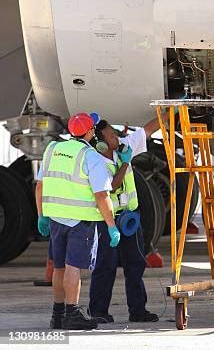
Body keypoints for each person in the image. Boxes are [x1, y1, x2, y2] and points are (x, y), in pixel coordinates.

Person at [35, 112, 121, 330]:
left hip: (56, 219)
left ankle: (58, 314)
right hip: (80, 222)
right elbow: (102, 195)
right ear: (91, 132)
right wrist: (112, 226)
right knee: (74, 267)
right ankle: (72, 313)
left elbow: (40, 186)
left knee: (60, 267)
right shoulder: (90, 156)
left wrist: (41, 215)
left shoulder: (52, 149)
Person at [88, 114, 167, 323]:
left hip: (129, 219)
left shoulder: (120, 147)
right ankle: (98, 311)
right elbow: (111, 186)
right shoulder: (95, 161)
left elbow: (146, 131)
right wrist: (125, 163)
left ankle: (138, 310)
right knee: (105, 266)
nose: (118, 137)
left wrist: (170, 111)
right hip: (108, 221)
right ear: (102, 144)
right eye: (112, 135)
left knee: (135, 264)